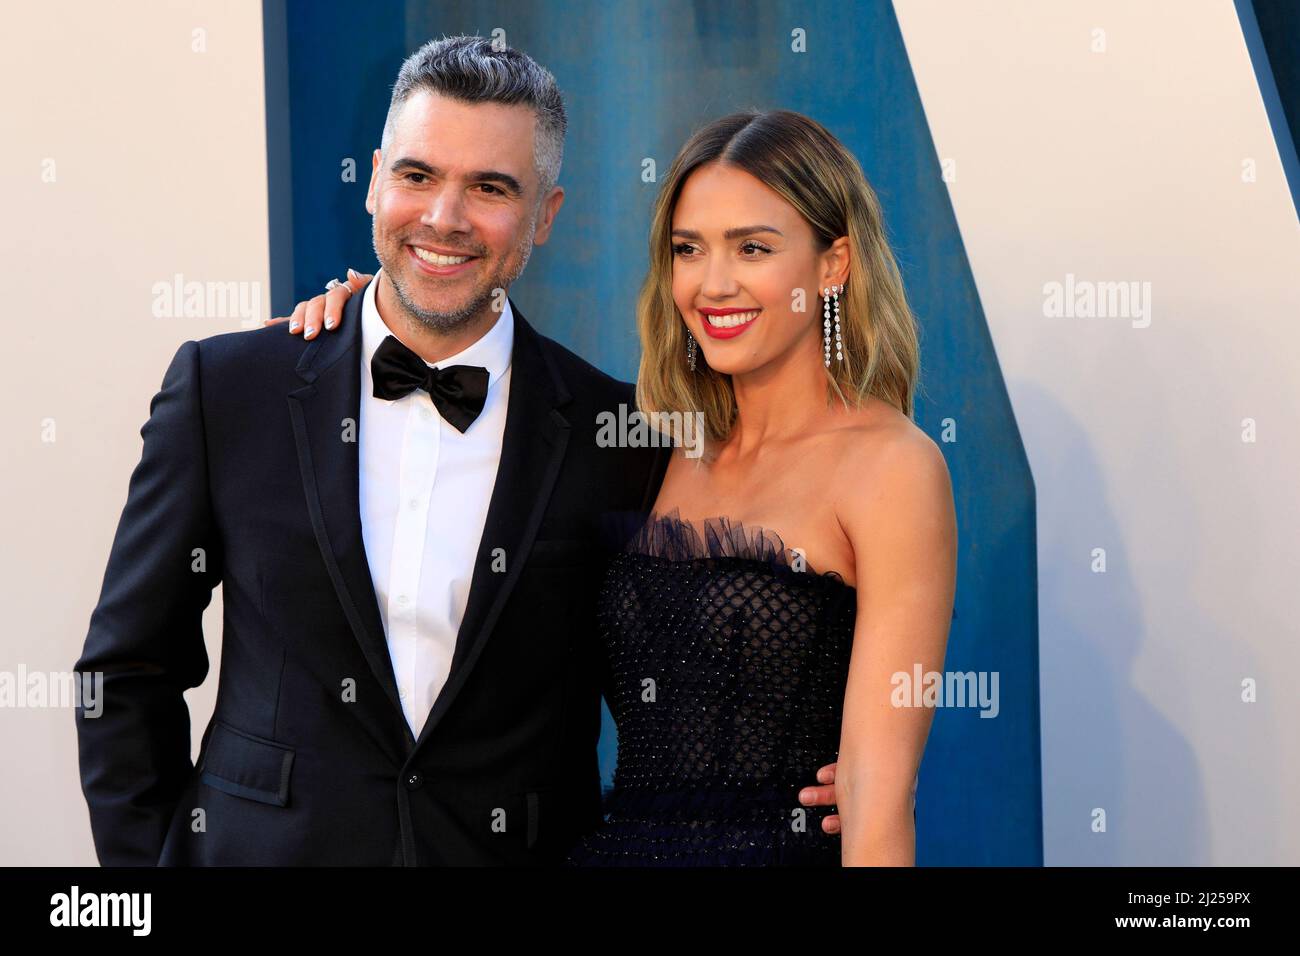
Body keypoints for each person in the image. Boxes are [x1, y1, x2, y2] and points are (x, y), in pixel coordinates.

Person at [74, 35, 837, 867]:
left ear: (545, 215)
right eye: (417, 175)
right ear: (373, 179)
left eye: (490, 188)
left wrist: (816, 779)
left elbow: (677, 702)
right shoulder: (228, 393)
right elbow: (124, 673)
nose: (443, 217)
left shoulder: (622, 437)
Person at [276, 104, 956, 863]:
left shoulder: (893, 468)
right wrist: (366, 314)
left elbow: (877, 799)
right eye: (688, 250)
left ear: (833, 264)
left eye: (754, 248)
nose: (714, 283)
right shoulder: (652, 446)